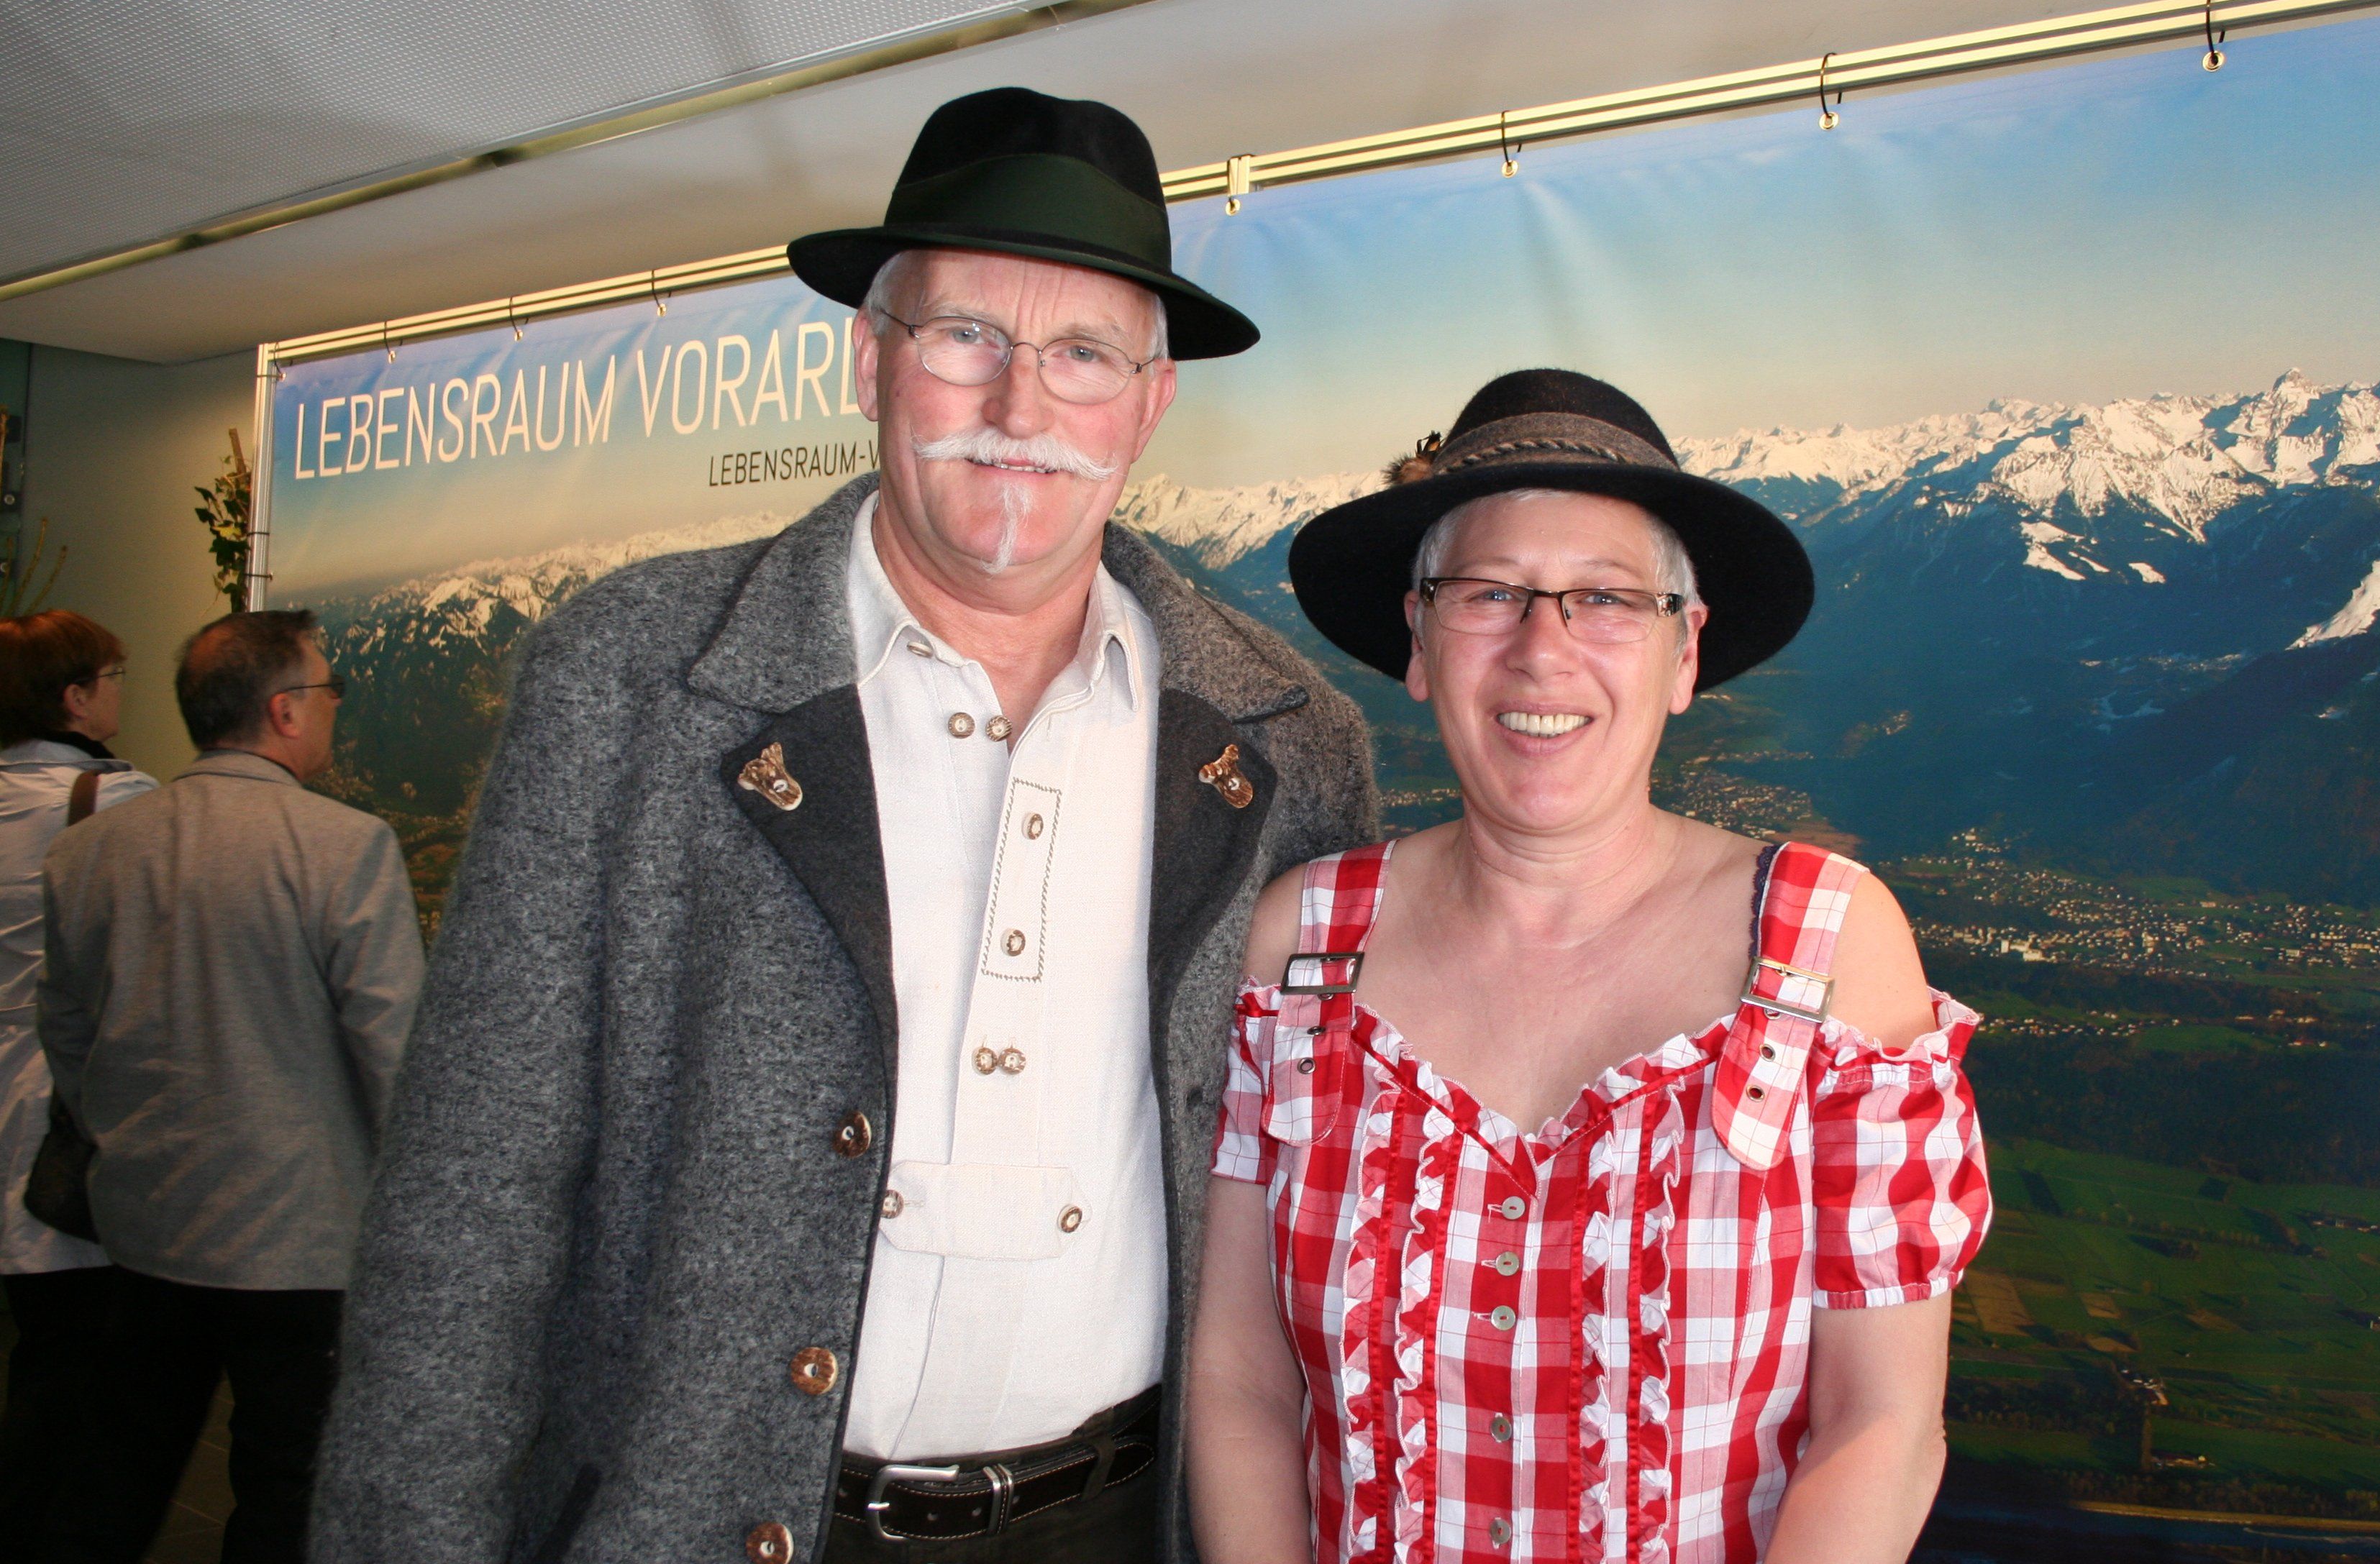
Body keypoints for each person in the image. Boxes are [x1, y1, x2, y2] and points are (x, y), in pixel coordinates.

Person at [313, 87, 1377, 1564]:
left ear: (1150, 402)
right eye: (966, 339)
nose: (1022, 409)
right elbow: (471, 1192)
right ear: (870, 358)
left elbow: (1307, 1214)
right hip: (704, 1526)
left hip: (1121, 1525)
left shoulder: (1286, 743)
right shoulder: (633, 675)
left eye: (1084, 354)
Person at [1187, 370, 1991, 1564]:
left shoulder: (1828, 950)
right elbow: (1241, 1383)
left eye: (1606, 598)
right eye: (1488, 593)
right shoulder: (1300, 950)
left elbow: (1881, 1424)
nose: (1541, 650)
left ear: (1683, 651)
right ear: (1419, 642)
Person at [36, 609, 424, 1564]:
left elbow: (68, 1034)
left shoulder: (91, 850)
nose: (335, 708)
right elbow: (394, 1054)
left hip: (145, 1222)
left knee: (117, 1471)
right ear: (285, 710)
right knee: (288, 1486)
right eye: (330, 690)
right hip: (303, 1237)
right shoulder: (345, 848)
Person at [0, 611, 157, 1536]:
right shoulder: (118, 803)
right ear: (74, 696)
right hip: (56, 1108)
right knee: (76, 1363)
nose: (119, 692)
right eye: (113, 675)